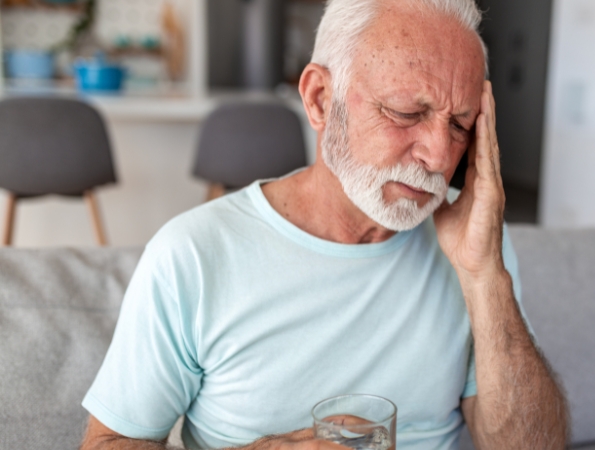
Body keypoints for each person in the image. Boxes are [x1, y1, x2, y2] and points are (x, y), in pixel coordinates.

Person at [80, 0, 569, 448]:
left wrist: (485, 276)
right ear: (318, 99)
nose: (440, 155)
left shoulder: (475, 248)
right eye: (405, 112)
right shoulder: (192, 254)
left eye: (460, 124)